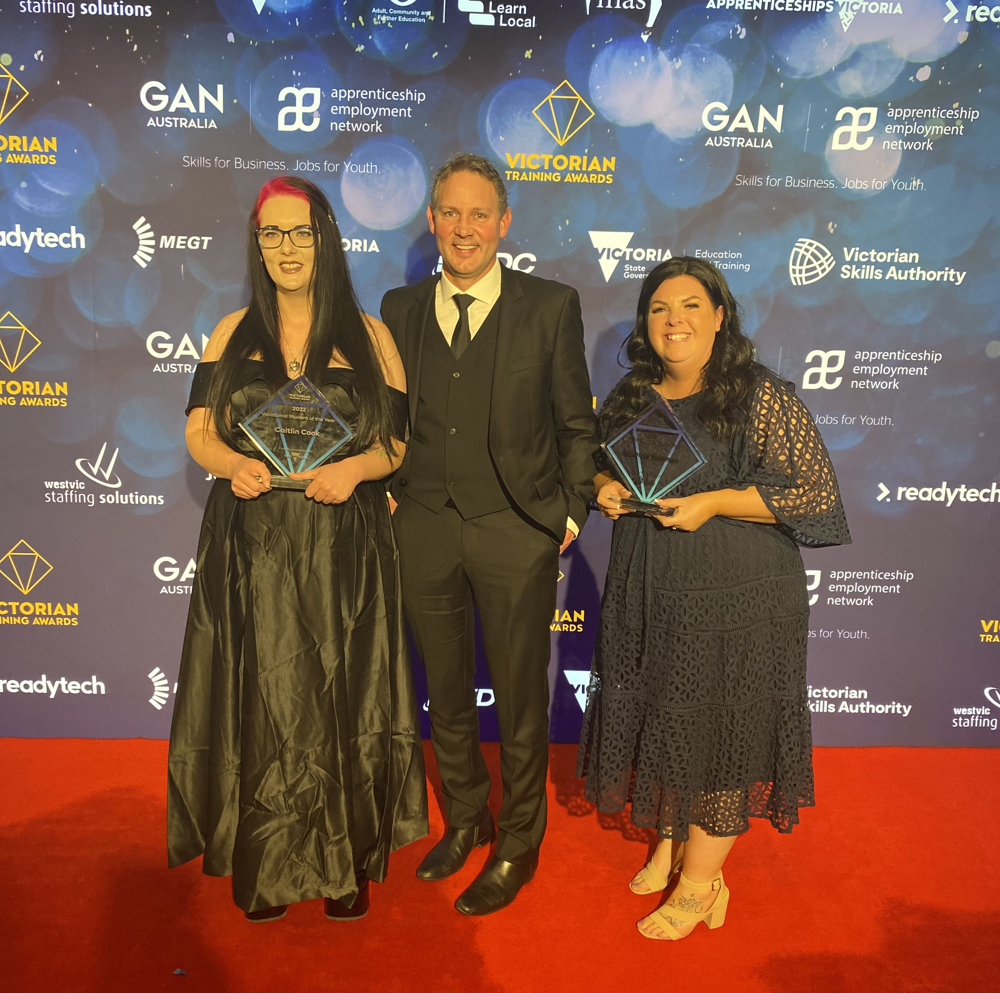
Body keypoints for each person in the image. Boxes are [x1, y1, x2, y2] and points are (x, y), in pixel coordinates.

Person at [167, 176, 427, 923]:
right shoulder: (230, 332)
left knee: (343, 696)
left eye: (300, 232)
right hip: (252, 544)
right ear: (258, 244)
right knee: (260, 697)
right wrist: (229, 463)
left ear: (325, 240)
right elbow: (198, 432)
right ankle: (266, 857)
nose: (286, 248)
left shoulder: (371, 336)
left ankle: (342, 862)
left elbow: (395, 442)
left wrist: (353, 467)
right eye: (272, 234)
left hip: (342, 545)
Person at [578, 257, 850, 940]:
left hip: (738, 597)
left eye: (692, 305)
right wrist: (603, 486)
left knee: (722, 728)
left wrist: (718, 501)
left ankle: (700, 885)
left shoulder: (758, 395)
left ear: (720, 315)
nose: (675, 320)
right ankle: (677, 837)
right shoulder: (633, 393)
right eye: (661, 307)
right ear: (646, 321)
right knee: (671, 714)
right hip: (653, 588)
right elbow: (601, 461)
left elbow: (815, 496)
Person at [380, 154, 598, 916]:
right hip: (426, 527)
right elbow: (388, 419)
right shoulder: (399, 309)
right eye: (451, 213)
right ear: (432, 221)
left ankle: (518, 839)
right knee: (443, 690)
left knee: (519, 696)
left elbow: (577, 422)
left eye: (480, 214)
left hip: (517, 528)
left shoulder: (550, 305)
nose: (465, 228)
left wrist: (566, 515)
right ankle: (467, 817)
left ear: (504, 224)